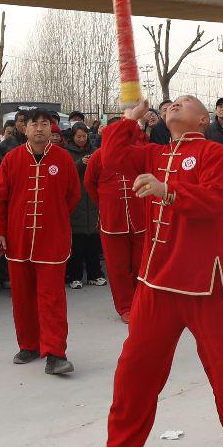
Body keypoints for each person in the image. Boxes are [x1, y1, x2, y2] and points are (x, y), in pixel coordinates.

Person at [95, 98, 223, 447]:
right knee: (135, 368)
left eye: (186, 102)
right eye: (172, 102)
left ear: (204, 120)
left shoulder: (213, 152)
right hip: (156, 281)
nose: (176, 104)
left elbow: (217, 202)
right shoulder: (154, 152)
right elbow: (112, 158)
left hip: (206, 284)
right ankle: (120, 442)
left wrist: (167, 189)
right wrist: (128, 120)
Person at [0, 108, 81, 375]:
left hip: (52, 240)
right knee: (22, 296)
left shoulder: (62, 159)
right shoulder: (12, 159)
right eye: (33, 124)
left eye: (44, 124)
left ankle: (55, 353)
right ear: (24, 129)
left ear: (52, 129)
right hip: (18, 239)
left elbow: (72, 196)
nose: (39, 128)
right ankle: (29, 345)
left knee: (52, 298)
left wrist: (55, 217)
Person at [84, 120, 148, 322]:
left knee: (141, 264)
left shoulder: (139, 153)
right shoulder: (98, 157)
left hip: (139, 218)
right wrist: (107, 204)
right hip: (112, 221)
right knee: (117, 267)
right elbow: (90, 185)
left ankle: (142, 302)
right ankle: (125, 306)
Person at [64, 125, 104, 290]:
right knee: (77, 244)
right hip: (77, 201)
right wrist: (81, 163)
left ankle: (95, 274)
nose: (82, 139)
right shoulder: (66, 153)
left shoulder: (96, 151)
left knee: (94, 242)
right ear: (73, 137)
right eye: (78, 136)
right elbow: (66, 173)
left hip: (93, 201)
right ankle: (75, 276)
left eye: (84, 136)